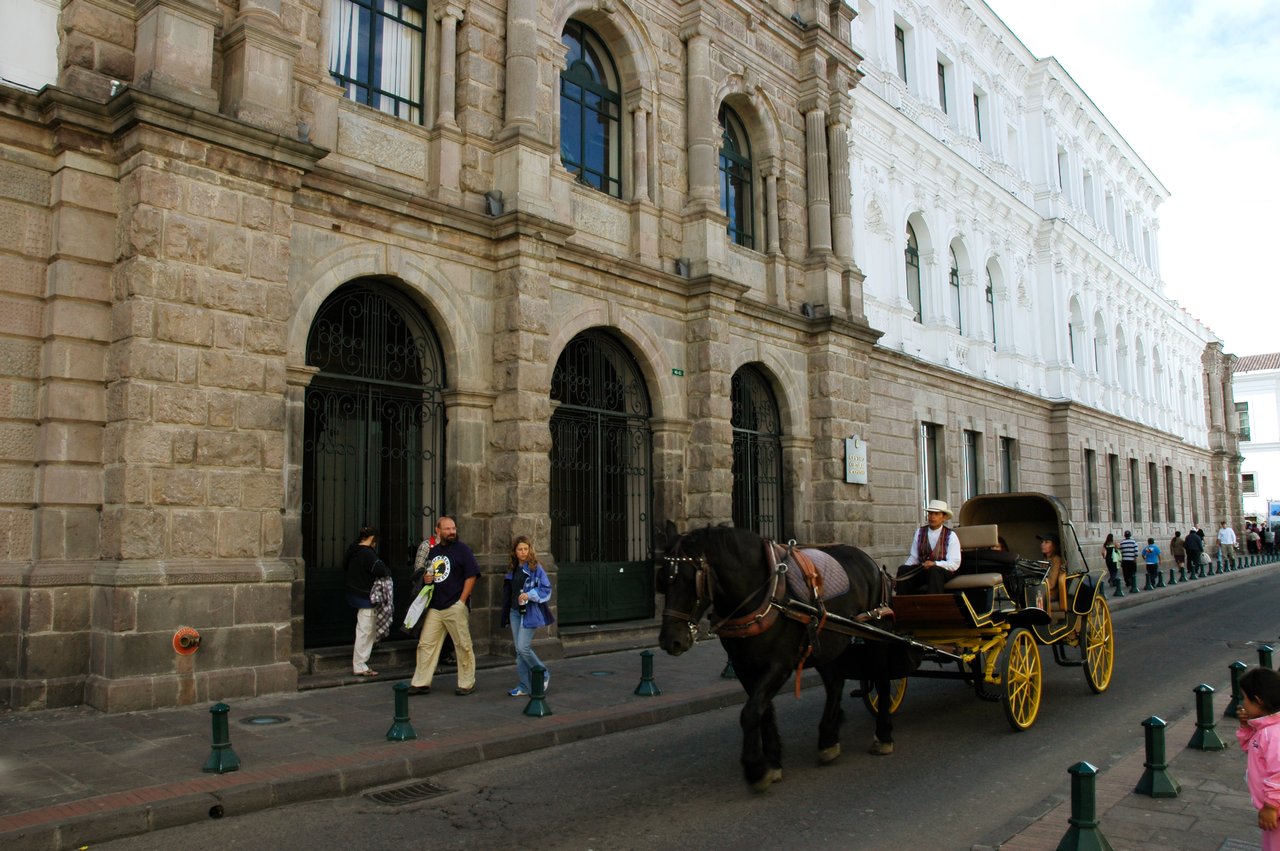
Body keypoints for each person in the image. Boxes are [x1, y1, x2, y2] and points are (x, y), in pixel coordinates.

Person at [407, 516, 480, 696]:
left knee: (463, 644)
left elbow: (472, 575)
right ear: (437, 531)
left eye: (453, 528)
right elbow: (429, 574)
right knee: (426, 644)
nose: (451, 532)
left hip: (454, 604)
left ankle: (466, 682)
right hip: (435, 605)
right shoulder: (434, 551)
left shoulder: (463, 550)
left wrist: (461, 601)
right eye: (447, 529)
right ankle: (421, 682)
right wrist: (426, 579)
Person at [502, 536, 554, 697]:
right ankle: (525, 686)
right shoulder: (513, 568)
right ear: (515, 552)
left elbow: (546, 589)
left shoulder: (535, 568)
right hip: (514, 612)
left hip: (529, 613)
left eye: (526, 549)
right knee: (519, 651)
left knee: (523, 647)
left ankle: (543, 672)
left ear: (529, 549)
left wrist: (529, 595)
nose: (523, 552)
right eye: (520, 549)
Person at [1236, 666, 1280, 850]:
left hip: (1275, 810)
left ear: (1258, 701)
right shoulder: (1263, 730)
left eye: (1245, 698)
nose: (1243, 704)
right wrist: (1246, 726)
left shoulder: (1273, 734)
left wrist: (1271, 806)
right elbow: (1252, 749)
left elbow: (1278, 771)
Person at [344, 525, 389, 678]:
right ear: (372, 539)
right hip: (365, 596)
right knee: (365, 629)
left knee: (364, 629)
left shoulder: (353, 550)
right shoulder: (368, 554)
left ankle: (361, 663)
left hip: (354, 592)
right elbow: (382, 570)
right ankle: (360, 664)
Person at [897, 500, 961, 594]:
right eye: (930, 513)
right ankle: (903, 604)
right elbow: (914, 557)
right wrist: (904, 573)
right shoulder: (919, 532)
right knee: (903, 569)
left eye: (936, 514)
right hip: (923, 571)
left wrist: (935, 564)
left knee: (934, 571)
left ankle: (934, 604)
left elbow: (954, 563)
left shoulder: (951, 535)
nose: (932, 517)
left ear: (943, 517)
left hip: (942, 572)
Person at [1038, 532, 1067, 617]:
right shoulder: (1044, 560)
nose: (1042, 544)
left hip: (1051, 592)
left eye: (1046, 542)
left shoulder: (1056, 560)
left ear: (1054, 546)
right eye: (1042, 542)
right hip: (1042, 589)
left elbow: (1051, 583)